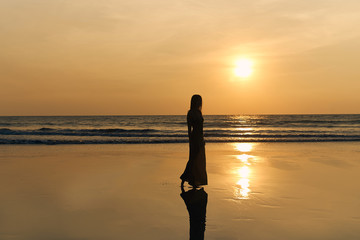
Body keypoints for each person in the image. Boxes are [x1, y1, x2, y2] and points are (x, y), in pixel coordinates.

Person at [180, 94, 208, 188]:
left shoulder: (199, 112)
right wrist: (190, 141)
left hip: (200, 138)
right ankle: (184, 178)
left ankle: (195, 180)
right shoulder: (191, 113)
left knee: (199, 160)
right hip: (194, 138)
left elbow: (201, 129)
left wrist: (203, 139)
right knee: (193, 159)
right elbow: (189, 129)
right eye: (198, 101)